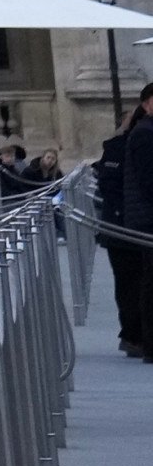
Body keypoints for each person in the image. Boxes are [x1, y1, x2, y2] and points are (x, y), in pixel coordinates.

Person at [101, 81, 153, 361]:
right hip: (127, 224)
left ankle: (138, 336)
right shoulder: (139, 138)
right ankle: (136, 336)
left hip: (132, 220)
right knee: (135, 282)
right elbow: (138, 183)